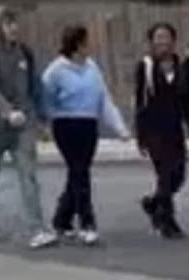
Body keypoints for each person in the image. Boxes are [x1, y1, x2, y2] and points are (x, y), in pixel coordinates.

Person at [0, 6, 55, 249]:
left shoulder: (25, 53)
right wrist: (7, 111)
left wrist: (42, 118)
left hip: (23, 123)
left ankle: (37, 229)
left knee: (28, 175)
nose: (14, 28)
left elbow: (34, 86)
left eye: (15, 22)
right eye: (8, 23)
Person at [41, 24, 131, 245]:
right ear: (77, 44)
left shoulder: (92, 67)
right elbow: (44, 97)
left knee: (78, 173)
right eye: (86, 41)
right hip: (66, 124)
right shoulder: (56, 70)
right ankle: (87, 222)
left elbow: (103, 99)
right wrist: (46, 121)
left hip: (88, 124)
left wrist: (119, 127)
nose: (90, 45)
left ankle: (61, 219)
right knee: (80, 172)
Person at [134, 22, 189, 239]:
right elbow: (141, 102)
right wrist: (140, 136)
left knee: (179, 175)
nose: (163, 42)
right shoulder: (146, 66)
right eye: (158, 37)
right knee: (166, 174)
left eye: (166, 37)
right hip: (154, 130)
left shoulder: (182, 65)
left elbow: (188, 99)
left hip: (175, 128)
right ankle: (167, 222)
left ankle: (154, 203)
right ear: (151, 41)